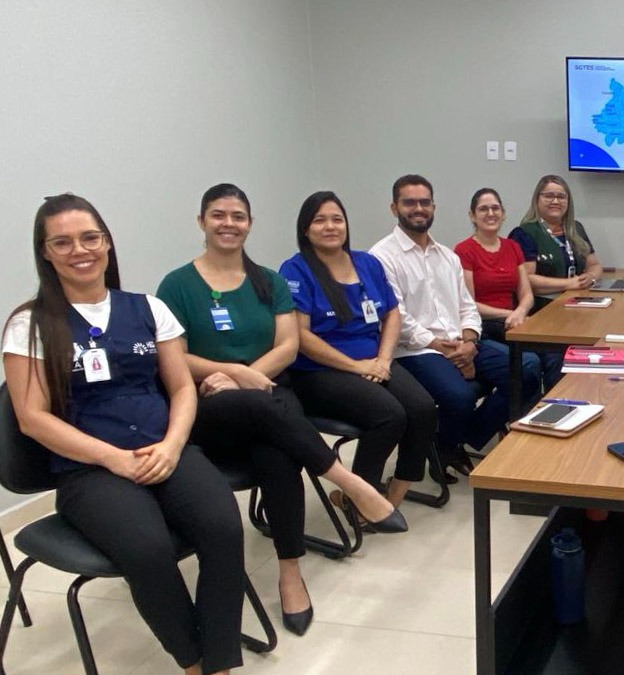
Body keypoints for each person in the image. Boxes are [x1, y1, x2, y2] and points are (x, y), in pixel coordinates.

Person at [2, 194, 244, 675]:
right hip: (89, 470)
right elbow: (32, 417)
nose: (80, 250)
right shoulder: (30, 324)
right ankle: (193, 662)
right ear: (45, 252)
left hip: (165, 449)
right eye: (62, 242)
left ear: (107, 243)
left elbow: (182, 388)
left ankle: (219, 663)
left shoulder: (148, 308)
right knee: (148, 550)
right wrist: (112, 458)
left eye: (90, 237)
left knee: (223, 528)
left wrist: (173, 445)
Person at [157, 183, 406, 637]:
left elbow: (288, 345)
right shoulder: (176, 285)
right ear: (201, 222)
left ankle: (290, 573)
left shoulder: (268, 281)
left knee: (279, 455)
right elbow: (174, 358)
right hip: (209, 402)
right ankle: (349, 481)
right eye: (218, 215)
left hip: (269, 389)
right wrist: (233, 373)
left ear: (250, 224)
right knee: (270, 414)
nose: (229, 223)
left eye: (238, 216)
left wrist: (248, 376)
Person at [370, 175, 542, 478]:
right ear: (394, 208)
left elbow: (467, 306)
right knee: (460, 397)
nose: (419, 208)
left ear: (433, 207)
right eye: (410, 203)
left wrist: (470, 342)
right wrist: (441, 347)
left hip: (461, 342)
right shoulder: (381, 257)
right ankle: (448, 446)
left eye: (425, 202)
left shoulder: (446, 257)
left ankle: (452, 440)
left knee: (527, 369)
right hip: (415, 350)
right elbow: (396, 317)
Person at [279, 191, 437, 510]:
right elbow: (301, 336)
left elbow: (391, 313)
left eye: (337, 219)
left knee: (423, 409)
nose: (330, 226)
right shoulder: (295, 270)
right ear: (305, 229)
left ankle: (395, 494)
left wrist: (383, 359)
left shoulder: (367, 263)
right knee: (389, 415)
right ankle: (360, 499)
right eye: (320, 220)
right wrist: (357, 366)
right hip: (319, 372)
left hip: (374, 362)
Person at [455, 188, 561, 389]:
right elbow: (469, 304)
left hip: (514, 324)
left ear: (503, 214)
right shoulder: (464, 250)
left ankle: (552, 405)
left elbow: (526, 293)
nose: (491, 213)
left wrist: (521, 311)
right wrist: (510, 314)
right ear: (472, 216)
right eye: (483, 209)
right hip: (484, 328)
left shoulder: (512, 247)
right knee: (529, 365)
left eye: (495, 208)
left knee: (555, 355)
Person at [508, 175, 604, 312]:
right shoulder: (524, 233)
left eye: (561, 197)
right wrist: (568, 283)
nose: (555, 201)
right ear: (537, 199)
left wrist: (591, 277)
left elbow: (594, 265)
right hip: (541, 307)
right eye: (549, 196)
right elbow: (526, 279)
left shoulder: (576, 228)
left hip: (577, 301)